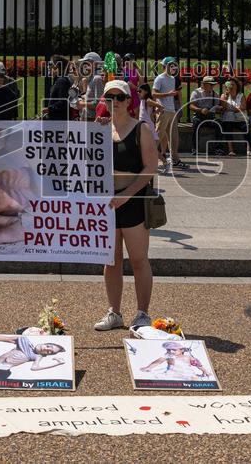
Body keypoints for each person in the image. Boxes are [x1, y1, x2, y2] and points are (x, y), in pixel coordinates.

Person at [95, 79, 159, 332]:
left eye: (119, 98)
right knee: (111, 260)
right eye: (109, 98)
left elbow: (150, 167)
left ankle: (142, 313)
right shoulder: (99, 129)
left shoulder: (140, 129)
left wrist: (129, 194)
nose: (115, 103)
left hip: (133, 201)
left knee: (139, 259)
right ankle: (114, 312)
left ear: (129, 101)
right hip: (108, 202)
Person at [0, 335, 66, 383]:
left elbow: (34, 368)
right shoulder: (25, 341)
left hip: (1, 371)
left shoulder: (38, 356)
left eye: (49, 352)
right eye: (48, 346)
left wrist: (57, 363)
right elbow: (7, 339)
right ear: (45, 343)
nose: (46, 349)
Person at [152, 56, 183, 170]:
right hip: (163, 110)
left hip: (172, 110)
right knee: (158, 135)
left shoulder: (173, 79)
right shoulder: (159, 78)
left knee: (174, 137)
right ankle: (149, 158)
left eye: (175, 65)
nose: (174, 67)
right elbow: (154, 94)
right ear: (166, 66)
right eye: (172, 65)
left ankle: (175, 159)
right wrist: (168, 94)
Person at [140, 341, 213, 381]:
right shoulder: (169, 356)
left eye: (174, 350)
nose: (171, 351)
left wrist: (205, 371)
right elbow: (158, 362)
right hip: (172, 374)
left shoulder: (188, 357)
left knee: (194, 379)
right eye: (169, 350)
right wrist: (148, 367)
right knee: (166, 378)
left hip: (187, 374)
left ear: (182, 350)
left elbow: (198, 365)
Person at [189, 75, 224, 156]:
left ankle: (218, 149)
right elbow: (191, 106)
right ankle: (194, 148)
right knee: (196, 123)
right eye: (211, 84)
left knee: (219, 124)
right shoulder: (196, 92)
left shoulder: (215, 94)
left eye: (213, 84)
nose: (212, 86)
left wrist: (219, 109)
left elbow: (218, 108)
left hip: (210, 117)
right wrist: (200, 110)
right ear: (204, 84)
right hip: (199, 116)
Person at [220, 77, 248, 156]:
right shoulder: (223, 95)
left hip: (239, 119)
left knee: (246, 127)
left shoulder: (241, 95)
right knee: (227, 126)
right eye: (229, 85)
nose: (231, 86)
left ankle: (248, 149)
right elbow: (223, 107)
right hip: (228, 119)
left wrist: (234, 109)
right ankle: (231, 149)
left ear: (237, 86)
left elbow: (243, 107)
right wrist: (226, 96)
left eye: (233, 84)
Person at [44, 55, 76, 121]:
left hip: (60, 121)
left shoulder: (62, 81)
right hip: (57, 120)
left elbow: (64, 101)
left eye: (50, 64)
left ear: (57, 66)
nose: (48, 66)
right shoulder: (57, 80)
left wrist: (49, 109)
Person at [78, 52, 106, 121]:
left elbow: (98, 104)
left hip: (92, 119)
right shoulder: (92, 77)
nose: (84, 65)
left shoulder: (97, 78)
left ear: (94, 64)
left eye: (86, 62)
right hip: (88, 118)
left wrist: (81, 104)